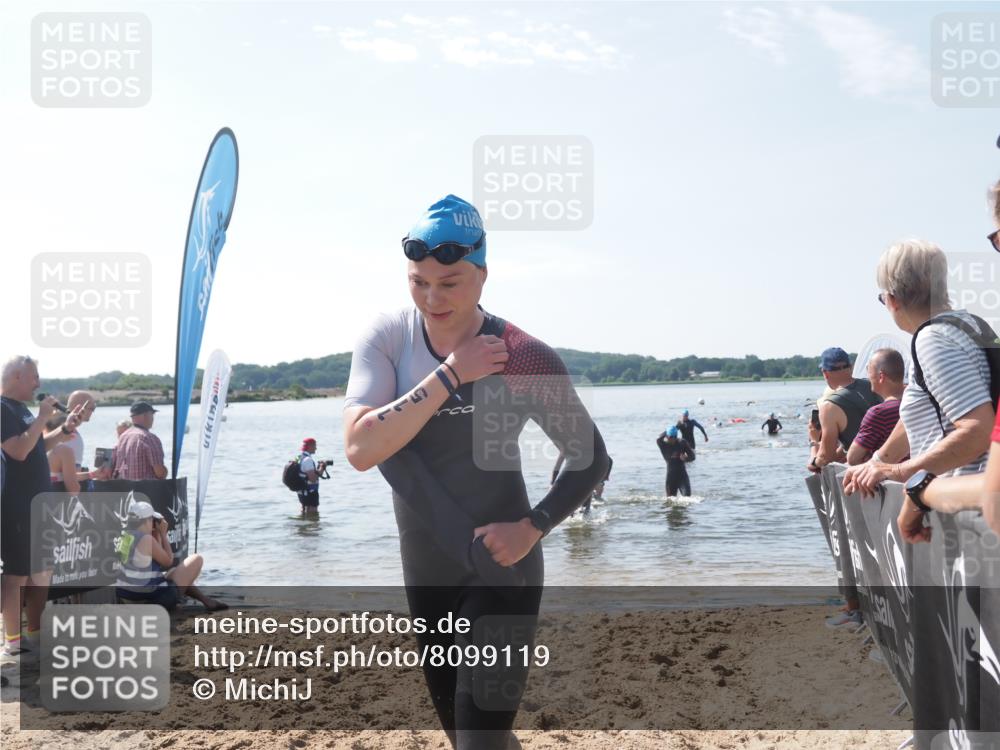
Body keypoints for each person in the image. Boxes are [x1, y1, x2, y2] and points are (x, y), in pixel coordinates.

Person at [342, 194, 609, 750]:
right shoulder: (388, 340)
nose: (432, 298)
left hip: (502, 564)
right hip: (428, 570)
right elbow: (361, 449)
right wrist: (451, 375)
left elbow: (591, 457)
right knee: (470, 735)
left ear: (483, 277)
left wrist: (533, 526)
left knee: (478, 741)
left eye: (451, 282)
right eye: (418, 282)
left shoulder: (521, 354)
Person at [842, 241, 996, 538]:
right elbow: (921, 408)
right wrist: (878, 462)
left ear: (893, 299)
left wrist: (902, 474)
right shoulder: (969, 325)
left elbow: (978, 431)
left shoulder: (933, 341)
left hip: (965, 519)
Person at [1, 356, 82, 660]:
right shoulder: (2, 409)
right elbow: (19, 451)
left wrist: (62, 432)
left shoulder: (21, 410)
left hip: (39, 504)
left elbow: (35, 446)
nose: (39, 383)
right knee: (17, 574)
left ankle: (35, 634)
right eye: (35, 376)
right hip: (16, 505)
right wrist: (41, 416)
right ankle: (12, 640)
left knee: (41, 572)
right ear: (18, 376)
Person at [116, 500, 226, 611]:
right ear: (147, 521)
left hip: (127, 598)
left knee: (173, 572)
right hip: (150, 601)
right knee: (197, 559)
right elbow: (168, 562)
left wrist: (156, 535)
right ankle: (174, 604)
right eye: (152, 520)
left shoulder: (126, 536)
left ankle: (206, 600)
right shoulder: (146, 539)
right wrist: (163, 535)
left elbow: (158, 562)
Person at [807, 347, 882, 474]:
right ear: (851, 367)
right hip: (892, 460)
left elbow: (825, 458)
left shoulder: (829, 406)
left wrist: (814, 444)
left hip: (865, 474)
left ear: (825, 373)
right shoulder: (874, 385)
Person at [846, 348, 906, 466]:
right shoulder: (919, 403)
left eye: (869, 370)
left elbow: (852, 458)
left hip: (891, 481)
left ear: (881, 376)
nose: (867, 377)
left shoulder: (878, 413)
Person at [104, 402, 167, 481]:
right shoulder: (149, 438)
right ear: (145, 415)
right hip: (147, 490)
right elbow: (160, 473)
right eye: (152, 414)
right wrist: (165, 471)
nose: (153, 418)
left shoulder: (123, 436)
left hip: (127, 490)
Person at [656, 426, 694, 497]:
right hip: (671, 477)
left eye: (674, 437)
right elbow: (658, 438)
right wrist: (672, 428)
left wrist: (686, 459)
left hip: (682, 476)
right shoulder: (663, 445)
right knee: (670, 501)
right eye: (671, 437)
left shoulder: (682, 443)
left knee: (687, 498)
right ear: (667, 436)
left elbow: (692, 456)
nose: (673, 439)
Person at [295, 438, 329, 515]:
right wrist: (322, 467)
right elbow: (313, 479)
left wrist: (317, 469)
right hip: (310, 492)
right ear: (310, 446)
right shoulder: (308, 460)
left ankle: (303, 525)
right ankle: (312, 526)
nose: (316, 448)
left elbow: (304, 474)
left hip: (301, 491)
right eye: (315, 446)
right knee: (313, 515)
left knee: (304, 510)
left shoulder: (299, 457)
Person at [63, 390, 96, 470]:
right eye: (92, 408)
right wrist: (93, 475)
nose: (93, 411)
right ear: (81, 408)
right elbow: (73, 476)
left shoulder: (53, 427)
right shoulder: (73, 437)